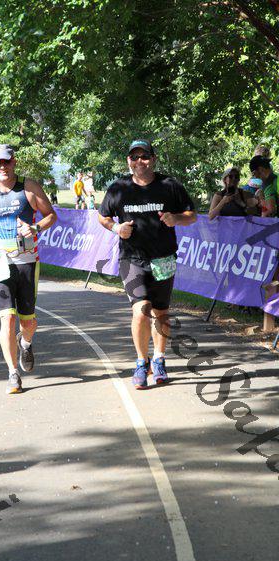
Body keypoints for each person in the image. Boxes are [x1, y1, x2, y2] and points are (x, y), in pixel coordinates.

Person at [98, 139, 196, 390]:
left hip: (163, 258)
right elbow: (103, 216)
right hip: (131, 259)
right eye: (134, 157)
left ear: (153, 159)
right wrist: (116, 228)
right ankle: (142, 362)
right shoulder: (119, 188)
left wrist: (176, 218)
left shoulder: (169, 186)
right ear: (128, 161)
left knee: (161, 312)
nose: (139, 161)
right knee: (141, 310)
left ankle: (159, 360)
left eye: (144, 156)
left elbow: (191, 215)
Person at [0, 143, 57, 394]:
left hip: (27, 261)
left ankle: (25, 343)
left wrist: (35, 228)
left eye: (6, 161)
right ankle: (13, 373)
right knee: (7, 318)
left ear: (14, 162)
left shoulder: (29, 187)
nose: (3, 167)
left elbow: (51, 215)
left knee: (28, 322)